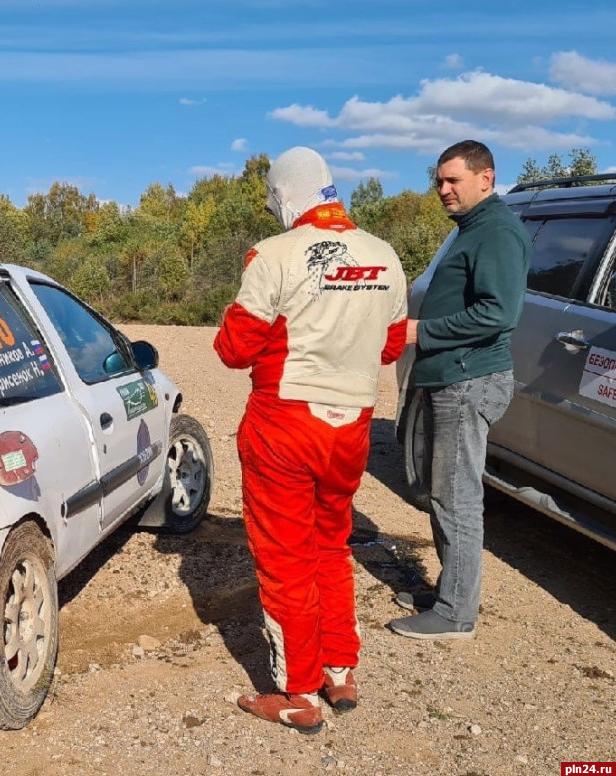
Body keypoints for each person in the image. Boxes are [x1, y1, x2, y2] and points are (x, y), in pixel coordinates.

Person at [214, 146, 407, 733]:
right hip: (349, 427)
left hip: (283, 425)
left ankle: (297, 690)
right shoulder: (386, 256)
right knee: (331, 544)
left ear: (285, 196)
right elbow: (391, 347)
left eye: (273, 198)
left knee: (284, 558)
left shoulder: (272, 255)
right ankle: (339, 666)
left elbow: (233, 350)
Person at [386, 140, 529, 641]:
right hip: (448, 377)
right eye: (439, 181)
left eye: (454, 180)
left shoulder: (497, 231)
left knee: (456, 497)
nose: (443, 190)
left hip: (468, 381)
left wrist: (421, 332)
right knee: (440, 492)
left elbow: (498, 312)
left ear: (486, 178)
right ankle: (451, 591)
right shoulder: (473, 230)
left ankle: (455, 614)